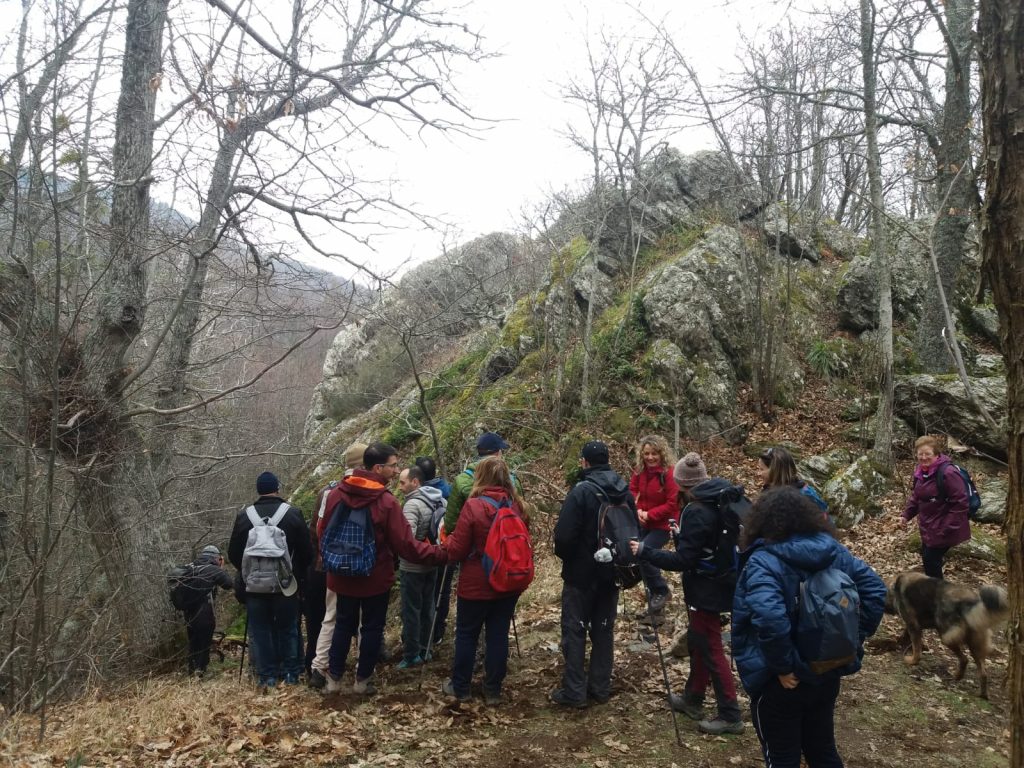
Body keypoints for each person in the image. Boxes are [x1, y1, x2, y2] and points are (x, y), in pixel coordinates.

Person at [732, 486, 886, 768]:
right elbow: (876, 591)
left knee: (782, 757)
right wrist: (847, 642)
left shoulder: (764, 561)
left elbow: (769, 617)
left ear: (762, 520)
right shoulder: (834, 551)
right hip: (826, 670)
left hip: (782, 681)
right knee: (822, 750)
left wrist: (784, 666)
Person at [321, 442, 447, 695]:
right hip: (375, 576)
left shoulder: (336, 493)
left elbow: (323, 531)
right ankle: (362, 682)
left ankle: (333, 680)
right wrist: (441, 553)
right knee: (371, 627)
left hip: (341, 573)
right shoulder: (386, 502)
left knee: (343, 624)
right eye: (393, 466)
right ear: (377, 468)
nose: (396, 470)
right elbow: (406, 545)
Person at [633, 452, 743, 735]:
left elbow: (683, 560)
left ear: (682, 483)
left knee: (711, 646)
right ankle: (693, 697)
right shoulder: (721, 498)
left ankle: (730, 713)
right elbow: (704, 547)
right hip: (721, 582)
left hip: (705, 588)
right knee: (699, 641)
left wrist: (645, 551)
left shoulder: (696, 511)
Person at [550, 440, 638, 708]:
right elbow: (634, 531)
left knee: (574, 630)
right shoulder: (624, 492)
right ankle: (600, 687)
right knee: (603, 630)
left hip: (581, 575)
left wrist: (571, 559)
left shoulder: (581, 492)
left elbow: (563, 537)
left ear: (584, 462)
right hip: (613, 572)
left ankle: (574, 692)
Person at [440, 456, 530, 705]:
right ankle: (493, 689)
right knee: (498, 634)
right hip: (508, 580)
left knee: (467, 634)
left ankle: (461, 687)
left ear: (480, 477)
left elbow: (457, 550)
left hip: (476, 582)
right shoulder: (517, 506)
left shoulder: (474, 506)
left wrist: (446, 543)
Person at [228, 471, 313, 688]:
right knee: (288, 629)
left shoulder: (244, 516)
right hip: (285, 585)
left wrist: (248, 574)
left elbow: (233, 553)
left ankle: (267, 677)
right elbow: (306, 552)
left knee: (261, 631)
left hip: (254, 587)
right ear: (277, 488)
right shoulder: (292, 513)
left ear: (258, 490)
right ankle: (291, 674)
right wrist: (296, 576)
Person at [437, 432, 522, 645]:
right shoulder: (511, 482)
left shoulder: (462, 481)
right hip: (506, 564)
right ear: (498, 453)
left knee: (467, 632)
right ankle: (494, 666)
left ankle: (466, 666)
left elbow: (452, 524)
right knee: (499, 631)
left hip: (474, 565)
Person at [308, 442, 367, 689]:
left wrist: (325, 556)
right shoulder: (370, 490)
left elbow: (316, 528)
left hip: (331, 563)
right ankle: (363, 669)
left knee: (331, 616)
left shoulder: (328, 491)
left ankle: (319, 667)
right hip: (363, 564)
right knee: (364, 617)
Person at [898, 435, 970, 579]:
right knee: (929, 560)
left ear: (936, 454)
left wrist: (945, 528)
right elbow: (917, 496)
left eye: (928, 454)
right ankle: (935, 587)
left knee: (930, 560)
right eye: (920, 454)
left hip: (944, 527)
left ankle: (937, 591)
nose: (923, 457)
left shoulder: (948, 473)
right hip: (929, 526)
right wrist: (905, 516)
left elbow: (961, 503)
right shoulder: (921, 472)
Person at [396, 464, 444, 668]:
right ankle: (427, 649)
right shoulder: (437, 499)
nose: (399, 487)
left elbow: (408, 539)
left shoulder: (412, 505)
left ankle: (411, 654)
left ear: (415, 482)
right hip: (432, 563)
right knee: (427, 608)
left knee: (411, 611)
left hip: (413, 567)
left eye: (402, 482)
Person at [630, 435, 678, 617]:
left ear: (661, 453)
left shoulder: (669, 473)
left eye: (654, 454)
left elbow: (673, 503)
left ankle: (661, 591)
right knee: (637, 555)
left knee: (644, 552)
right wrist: (637, 511)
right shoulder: (640, 471)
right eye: (646, 453)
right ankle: (655, 608)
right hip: (643, 521)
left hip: (663, 524)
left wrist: (649, 515)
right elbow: (632, 491)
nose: (650, 457)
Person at [182, 544, 233, 677]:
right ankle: (200, 672)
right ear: (216, 558)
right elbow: (228, 584)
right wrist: (220, 568)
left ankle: (192, 672)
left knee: (193, 642)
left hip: (188, 612)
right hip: (205, 612)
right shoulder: (213, 569)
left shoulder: (190, 567)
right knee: (204, 643)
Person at [756, 446, 829, 515]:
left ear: (775, 471)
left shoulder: (802, 498)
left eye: (762, 469)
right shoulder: (769, 490)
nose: (758, 473)